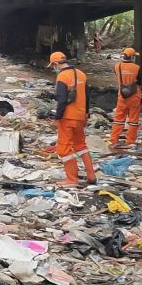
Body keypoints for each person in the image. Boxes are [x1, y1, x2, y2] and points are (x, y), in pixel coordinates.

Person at [49, 52, 96, 186]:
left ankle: (71, 179)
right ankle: (91, 175)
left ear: (56, 64)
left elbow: (62, 100)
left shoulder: (62, 77)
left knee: (63, 150)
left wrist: (57, 118)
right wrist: (86, 113)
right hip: (80, 116)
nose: (54, 69)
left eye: (53, 66)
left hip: (68, 118)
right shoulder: (81, 74)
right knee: (80, 145)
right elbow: (87, 96)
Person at [109, 47, 142, 148]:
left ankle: (114, 139)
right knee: (133, 120)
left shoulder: (117, 66)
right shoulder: (137, 68)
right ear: (132, 57)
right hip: (134, 97)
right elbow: (140, 81)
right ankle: (130, 141)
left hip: (122, 96)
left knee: (118, 118)